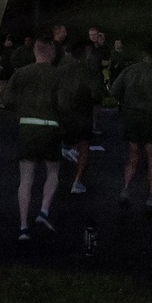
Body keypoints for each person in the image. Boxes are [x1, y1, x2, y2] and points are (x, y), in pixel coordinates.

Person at [3, 38, 63, 240]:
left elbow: (7, 100)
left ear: (36, 51)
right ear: (51, 52)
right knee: (53, 171)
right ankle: (44, 211)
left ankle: (23, 226)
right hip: (50, 127)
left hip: (27, 126)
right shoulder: (58, 75)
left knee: (26, 178)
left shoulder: (21, 73)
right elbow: (64, 103)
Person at [110, 42, 152, 211]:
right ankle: (151, 197)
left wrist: (126, 102)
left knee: (133, 155)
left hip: (132, 116)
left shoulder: (130, 70)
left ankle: (125, 189)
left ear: (143, 55)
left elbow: (114, 90)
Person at [59, 41, 103, 194]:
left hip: (65, 113)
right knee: (84, 147)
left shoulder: (62, 70)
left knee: (66, 139)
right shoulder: (87, 71)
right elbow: (96, 94)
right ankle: (77, 181)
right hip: (83, 114)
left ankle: (66, 149)